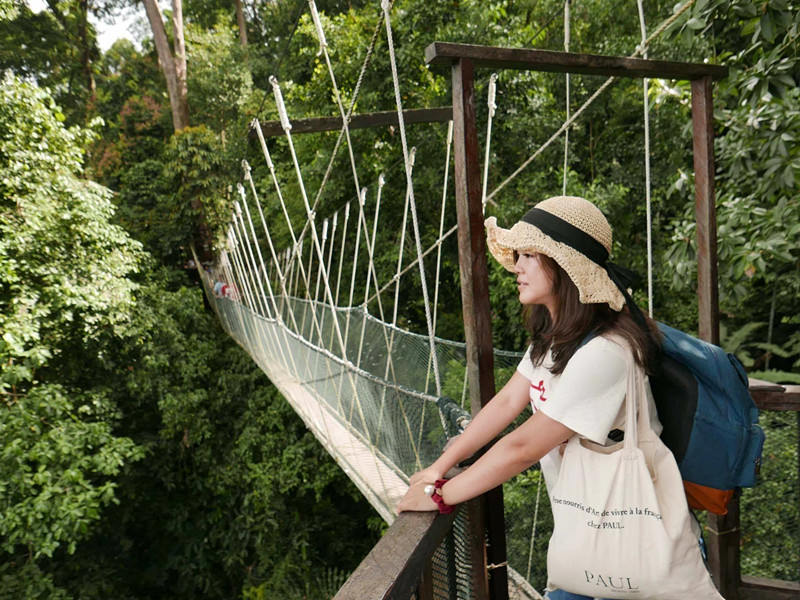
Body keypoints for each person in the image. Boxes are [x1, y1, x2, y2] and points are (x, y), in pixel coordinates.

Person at [397, 195, 662, 600]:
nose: (516, 266)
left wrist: (441, 496)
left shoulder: (606, 352)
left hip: (634, 545)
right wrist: (439, 467)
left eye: (529, 255)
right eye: (517, 254)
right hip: (589, 542)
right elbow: (505, 405)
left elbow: (523, 447)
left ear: (564, 265)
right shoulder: (554, 342)